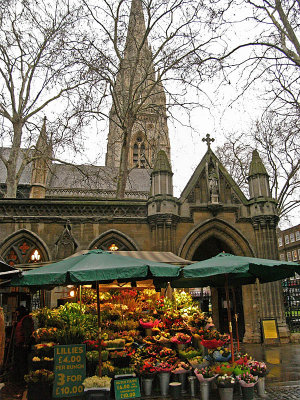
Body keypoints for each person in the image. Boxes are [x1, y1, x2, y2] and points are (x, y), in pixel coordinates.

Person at [13, 306, 34, 382]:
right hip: (19, 344)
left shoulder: (26, 319)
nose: (17, 314)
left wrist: (26, 343)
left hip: (23, 345)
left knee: (23, 363)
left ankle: (23, 380)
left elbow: (27, 332)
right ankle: (20, 379)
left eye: (17, 313)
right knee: (20, 362)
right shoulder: (21, 320)